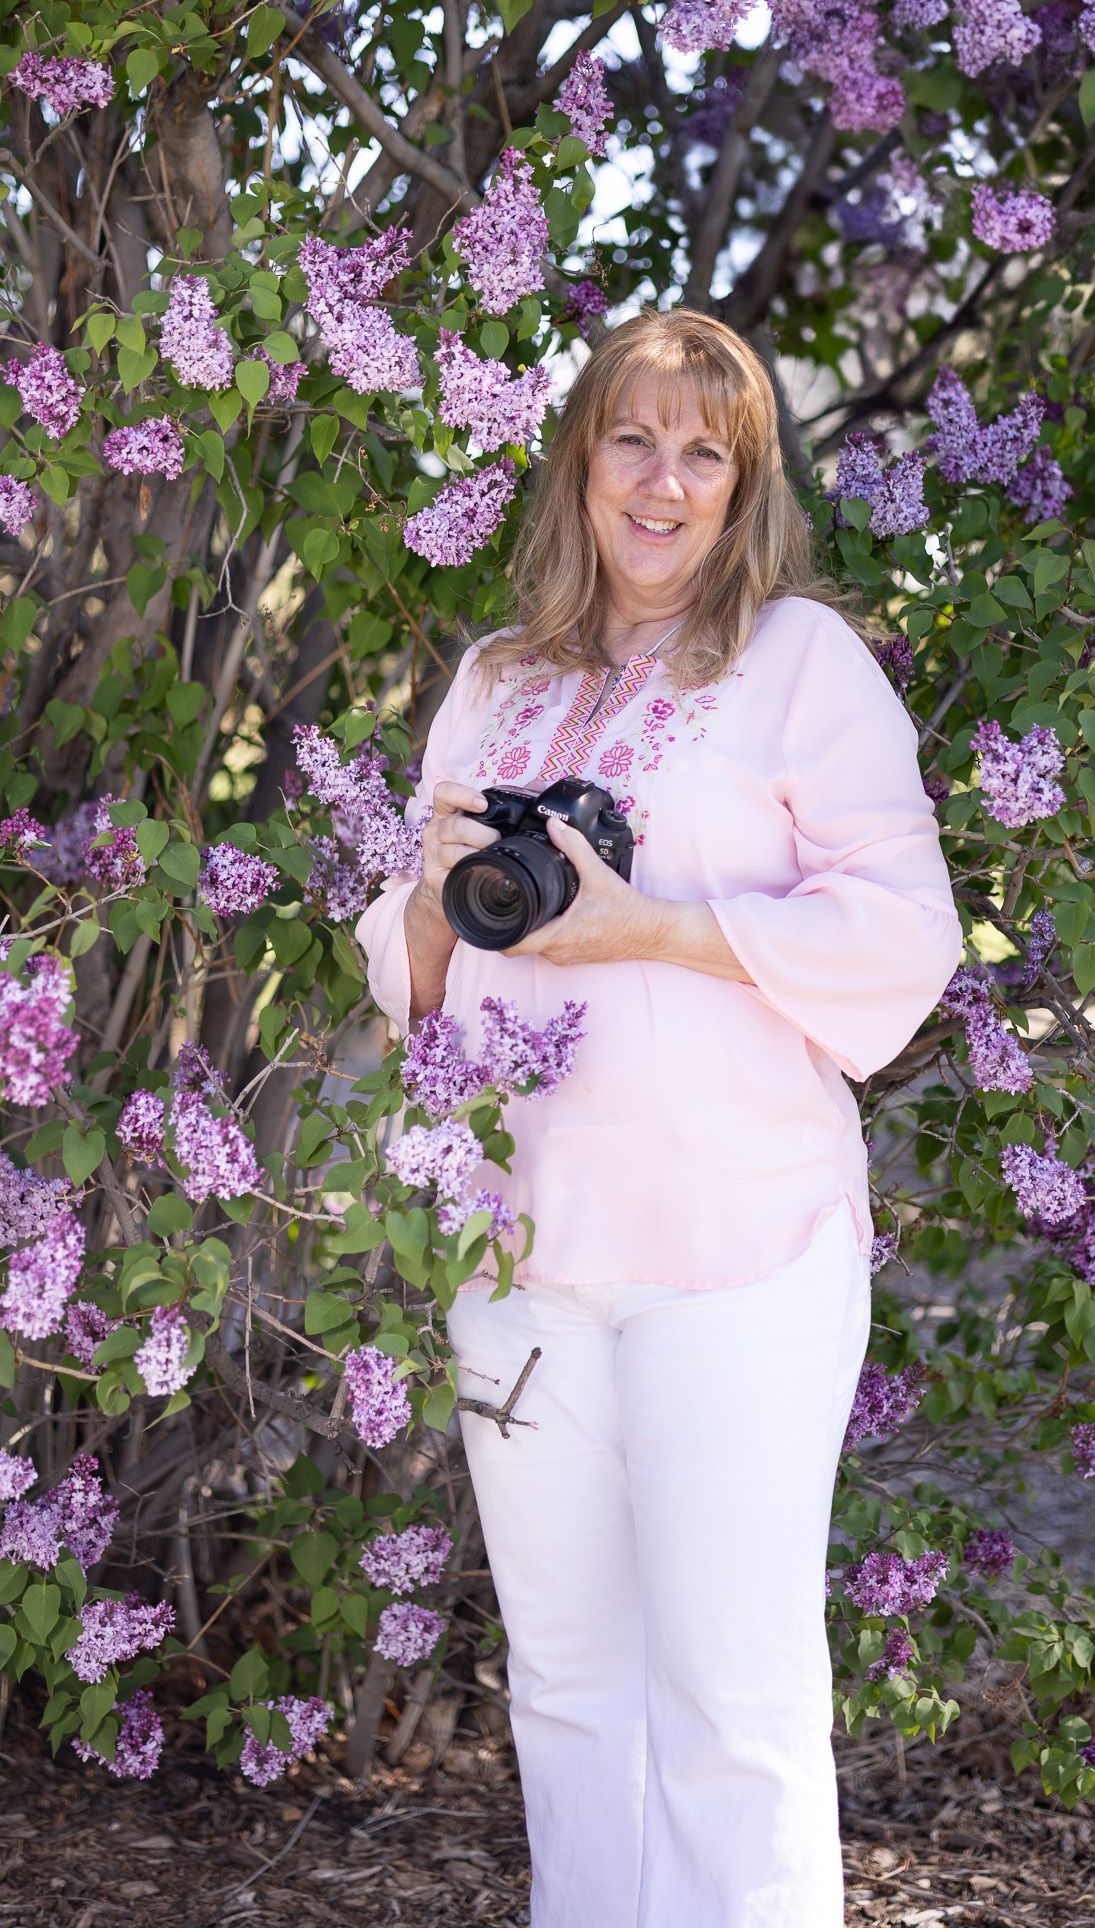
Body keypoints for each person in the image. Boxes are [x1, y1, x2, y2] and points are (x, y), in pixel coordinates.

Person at [354, 308, 964, 1927]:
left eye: (705, 450)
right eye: (633, 437)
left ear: (744, 483)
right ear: (581, 459)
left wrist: (654, 928)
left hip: (736, 1248)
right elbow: (412, 971)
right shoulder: (496, 680)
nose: (662, 479)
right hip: (523, 1247)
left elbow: (905, 938)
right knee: (564, 1683)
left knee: (729, 1691)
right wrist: (424, 902)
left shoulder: (797, 665)